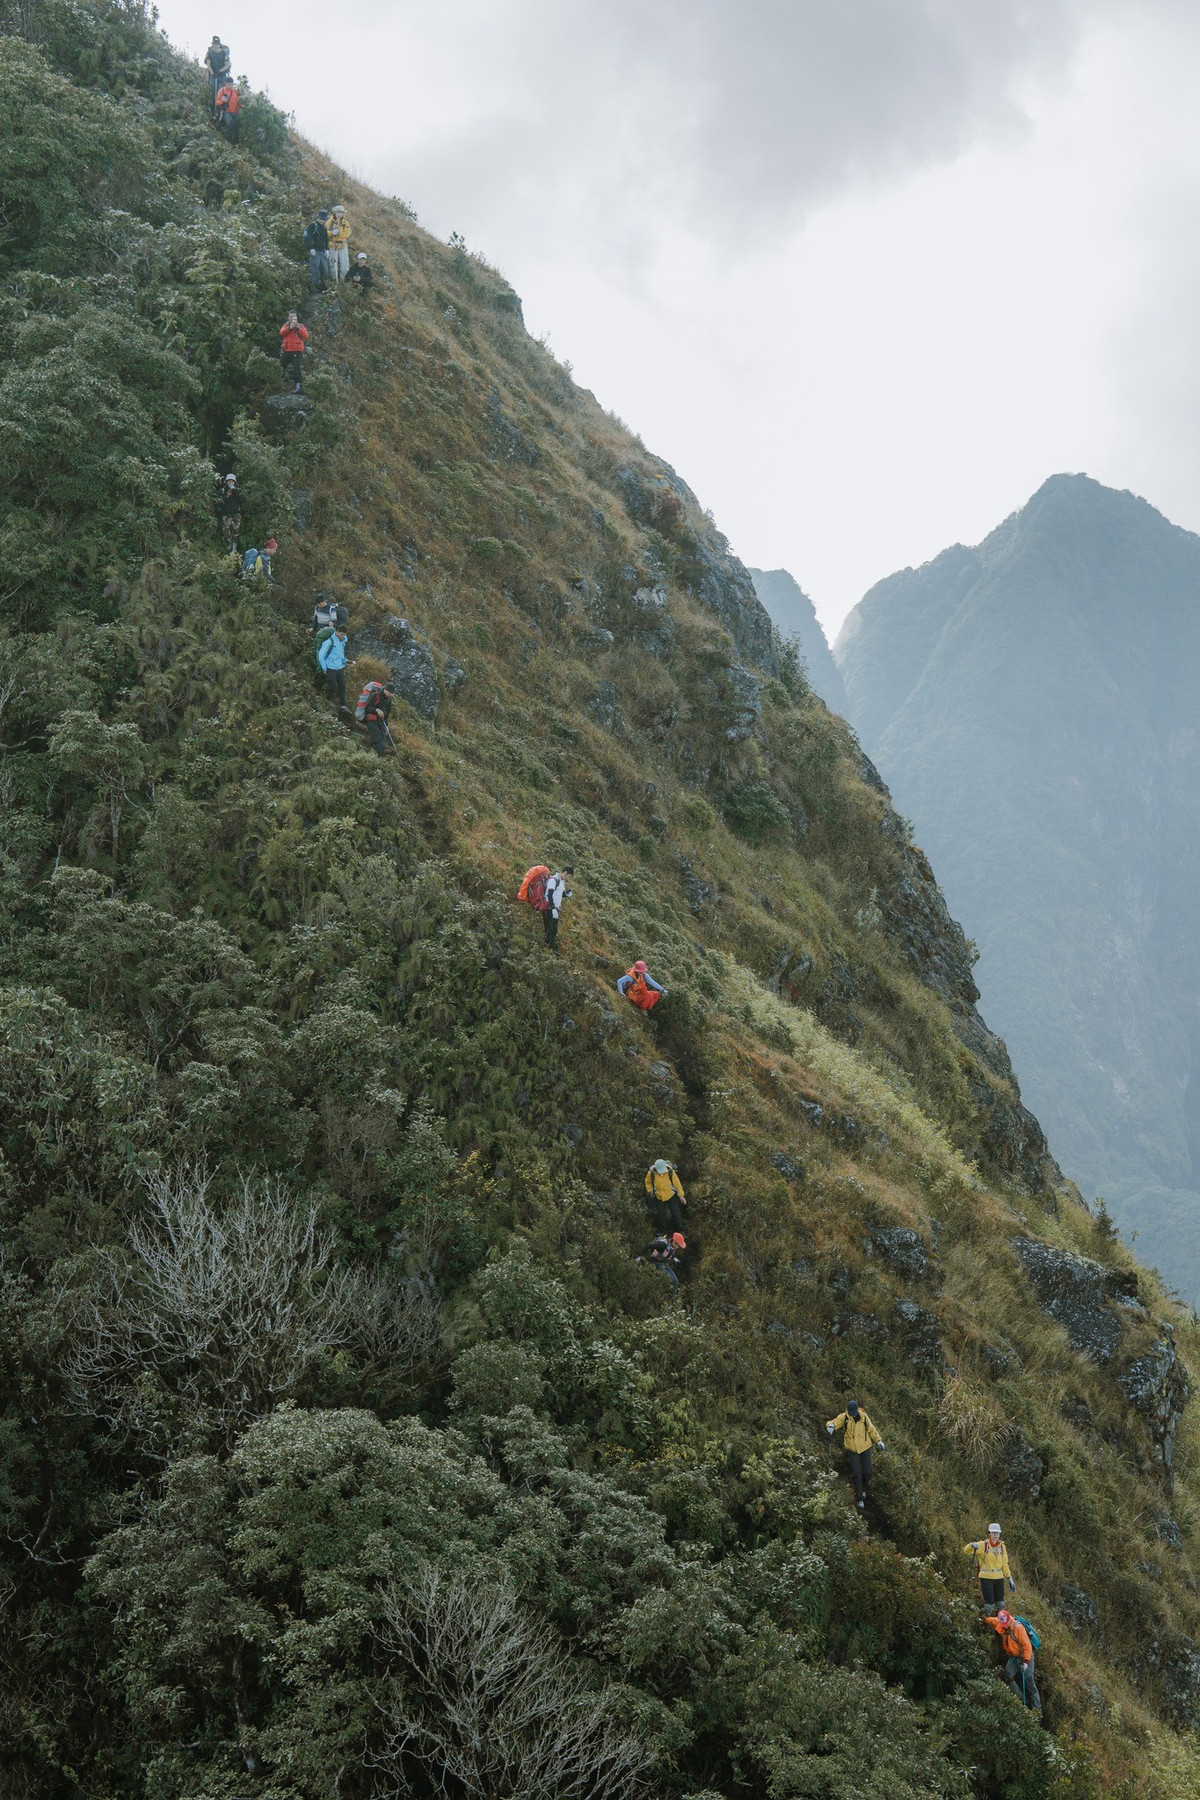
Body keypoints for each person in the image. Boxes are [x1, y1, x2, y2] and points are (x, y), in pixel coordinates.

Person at [825, 1400, 884, 1510]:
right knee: (857, 1474)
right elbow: (833, 1422)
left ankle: (864, 1489)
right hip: (852, 1449)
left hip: (865, 1447)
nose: (852, 1414)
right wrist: (831, 1426)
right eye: (850, 1412)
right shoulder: (845, 1417)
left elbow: (871, 1429)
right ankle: (860, 1498)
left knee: (867, 1472)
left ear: (857, 1410)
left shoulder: (864, 1417)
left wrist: (878, 1440)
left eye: (853, 1412)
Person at [985, 1609, 1042, 1712]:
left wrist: (1026, 1662)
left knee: (1029, 1683)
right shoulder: (1000, 1621)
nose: (1004, 1627)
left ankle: (1037, 1710)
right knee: (1007, 1675)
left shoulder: (1018, 1628)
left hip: (1025, 1657)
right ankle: (1022, 1700)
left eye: (1005, 1624)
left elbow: (1027, 1646)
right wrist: (984, 1619)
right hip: (1014, 1657)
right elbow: (992, 1620)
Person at [964, 1525, 1016, 1611]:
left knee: (1001, 1604)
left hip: (999, 1578)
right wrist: (971, 1545)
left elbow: (1004, 1564)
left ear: (999, 1534)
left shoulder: (1002, 1547)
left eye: (997, 1533)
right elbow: (966, 1552)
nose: (995, 1535)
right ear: (990, 1533)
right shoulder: (982, 1545)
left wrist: (1009, 1578)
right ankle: (986, 1620)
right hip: (986, 1578)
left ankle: (999, 1622)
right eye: (993, 1533)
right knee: (989, 1605)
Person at [644, 1159, 686, 1233]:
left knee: (676, 1214)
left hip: (671, 1195)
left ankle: (681, 1231)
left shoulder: (670, 1172)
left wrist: (681, 1196)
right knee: (661, 1215)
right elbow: (648, 1182)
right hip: (659, 1196)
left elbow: (677, 1184)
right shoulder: (651, 1173)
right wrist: (650, 1191)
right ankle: (663, 1232)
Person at [357, 681, 395, 755]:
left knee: (382, 742)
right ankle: (374, 759)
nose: (391, 695)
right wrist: (376, 710)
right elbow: (367, 709)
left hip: (381, 722)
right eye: (390, 692)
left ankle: (373, 755)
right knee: (378, 742)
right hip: (371, 720)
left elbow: (386, 715)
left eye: (392, 693)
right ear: (385, 690)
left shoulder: (389, 699)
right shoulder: (375, 695)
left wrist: (386, 726)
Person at [318, 626, 350, 711]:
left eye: (344, 635)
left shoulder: (342, 642)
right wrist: (324, 669)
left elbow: (341, 655)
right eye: (341, 634)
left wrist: (345, 661)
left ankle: (343, 705)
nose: (342, 636)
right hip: (330, 667)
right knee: (333, 686)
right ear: (336, 632)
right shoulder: (329, 642)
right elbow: (321, 656)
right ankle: (327, 701)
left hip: (340, 667)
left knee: (342, 686)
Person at [542, 867, 574, 950]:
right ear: (565, 872)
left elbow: (560, 894)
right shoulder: (553, 880)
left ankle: (551, 948)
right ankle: (549, 949)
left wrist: (566, 894)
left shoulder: (561, 882)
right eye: (568, 876)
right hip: (549, 909)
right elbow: (549, 895)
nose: (568, 878)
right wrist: (552, 908)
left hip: (555, 909)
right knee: (549, 929)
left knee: (554, 930)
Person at [279, 312, 308, 391]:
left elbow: (305, 336)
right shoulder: (286, 325)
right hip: (287, 350)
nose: (293, 319)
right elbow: (281, 333)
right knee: (281, 365)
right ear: (289, 318)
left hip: (296, 350)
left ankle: (298, 386)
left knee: (296, 368)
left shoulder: (300, 326)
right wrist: (290, 328)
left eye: (294, 317)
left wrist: (297, 328)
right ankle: (279, 381)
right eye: (291, 317)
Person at [304, 211, 330, 292]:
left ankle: (324, 286)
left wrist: (327, 249)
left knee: (324, 270)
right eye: (321, 219)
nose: (322, 221)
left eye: (324, 219)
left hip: (322, 251)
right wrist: (310, 248)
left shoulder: (324, 228)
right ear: (317, 218)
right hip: (315, 251)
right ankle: (313, 287)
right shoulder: (312, 226)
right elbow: (309, 237)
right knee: (315, 270)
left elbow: (326, 239)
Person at [216, 473, 242, 548]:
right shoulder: (223, 491)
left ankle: (234, 550)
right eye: (229, 481)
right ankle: (228, 545)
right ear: (226, 482)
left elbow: (243, 501)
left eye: (232, 481)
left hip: (236, 515)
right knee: (226, 531)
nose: (230, 482)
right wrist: (227, 496)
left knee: (236, 532)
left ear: (234, 482)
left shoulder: (238, 490)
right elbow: (219, 502)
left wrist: (237, 493)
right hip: (226, 515)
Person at [204, 36, 230, 108]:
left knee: (224, 91)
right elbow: (208, 64)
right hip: (213, 74)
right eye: (214, 44)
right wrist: (212, 73)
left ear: (219, 45)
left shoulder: (223, 53)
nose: (215, 46)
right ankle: (213, 107)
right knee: (213, 91)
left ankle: (224, 106)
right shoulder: (210, 53)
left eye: (217, 44)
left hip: (222, 75)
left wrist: (220, 71)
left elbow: (227, 65)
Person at [327, 204, 351, 282]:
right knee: (333, 263)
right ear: (334, 212)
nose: (339, 214)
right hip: (332, 245)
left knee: (344, 264)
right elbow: (325, 232)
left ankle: (343, 280)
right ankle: (334, 280)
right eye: (338, 212)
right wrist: (332, 233)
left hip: (343, 245)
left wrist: (339, 232)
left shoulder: (345, 223)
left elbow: (347, 234)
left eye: (341, 212)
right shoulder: (329, 222)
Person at [214, 78, 240, 144]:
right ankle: (227, 143)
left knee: (236, 127)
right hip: (226, 112)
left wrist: (242, 106)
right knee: (230, 124)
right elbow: (217, 102)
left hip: (235, 112)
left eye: (232, 85)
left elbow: (238, 102)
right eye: (229, 84)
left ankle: (234, 143)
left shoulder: (235, 91)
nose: (230, 86)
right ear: (226, 84)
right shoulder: (221, 91)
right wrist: (222, 101)